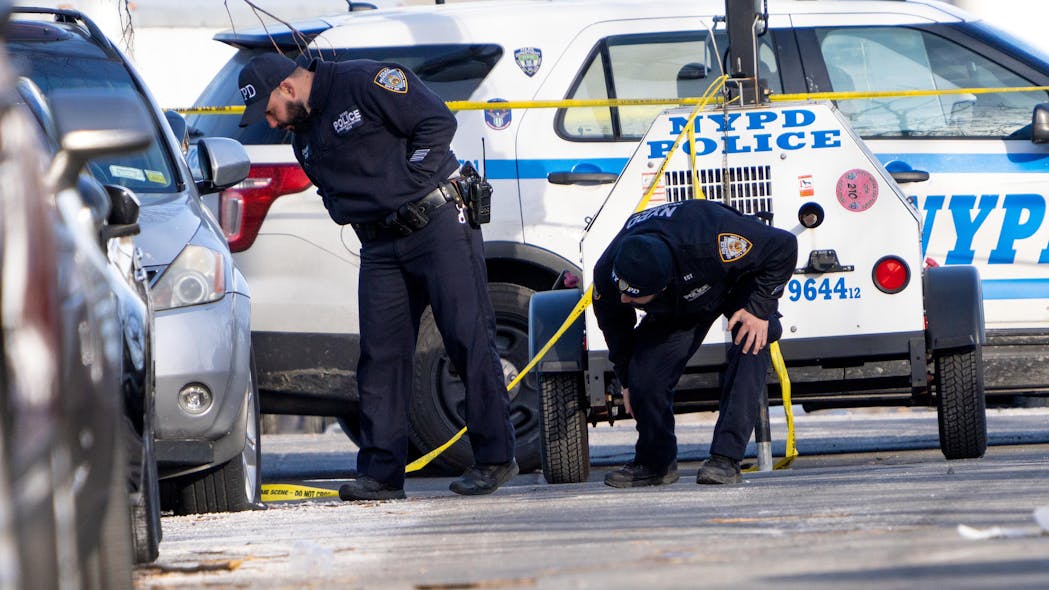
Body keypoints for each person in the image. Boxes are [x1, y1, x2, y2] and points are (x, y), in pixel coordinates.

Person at [237, 53, 518, 500]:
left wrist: (408, 184)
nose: (270, 123)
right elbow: (331, 193)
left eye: (269, 112)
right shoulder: (302, 137)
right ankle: (381, 475)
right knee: (380, 357)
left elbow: (436, 124)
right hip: (380, 246)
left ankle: (494, 458)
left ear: (288, 88)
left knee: (467, 337)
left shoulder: (364, 81)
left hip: (438, 224)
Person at [592, 198, 798, 487]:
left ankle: (725, 460)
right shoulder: (608, 274)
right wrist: (628, 381)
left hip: (736, 281)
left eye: (634, 297)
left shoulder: (715, 238)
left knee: (752, 342)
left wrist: (760, 308)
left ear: (663, 284)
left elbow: (783, 246)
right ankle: (655, 463)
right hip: (683, 304)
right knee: (644, 379)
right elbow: (617, 332)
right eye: (623, 291)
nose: (625, 300)